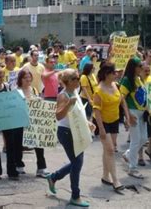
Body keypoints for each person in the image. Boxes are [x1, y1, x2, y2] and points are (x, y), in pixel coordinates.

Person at [47, 69, 92, 207]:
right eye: (76, 78)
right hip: (66, 132)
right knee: (77, 163)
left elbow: (78, 113)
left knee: (76, 162)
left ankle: (54, 177)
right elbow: (58, 115)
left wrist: (88, 123)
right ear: (69, 81)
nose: (79, 80)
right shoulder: (64, 95)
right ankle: (75, 195)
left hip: (77, 131)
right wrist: (68, 104)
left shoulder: (75, 93)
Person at [93, 62, 129, 194]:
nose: (117, 74)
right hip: (102, 122)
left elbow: (122, 100)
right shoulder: (99, 90)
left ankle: (105, 176)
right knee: (111, 150)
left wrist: (126, 117)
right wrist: (101, 129)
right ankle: (115, 180)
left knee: (107, 149)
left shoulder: (115, 85)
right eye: (114, 73)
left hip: (114, 121)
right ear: (107, 74)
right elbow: (96, 111)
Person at [15, 69, 50, 178]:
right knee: (18, 144)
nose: (28, 80)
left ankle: (41, 168)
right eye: (26, 78)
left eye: (29, 77)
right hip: (20, 121)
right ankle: (19, 165)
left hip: (34, 122)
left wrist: (39, 101)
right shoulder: (16, 91)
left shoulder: (34, 89)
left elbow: (40, 102)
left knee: (39, 144)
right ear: (20, 79)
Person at [120, 57, 148, 178]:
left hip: (142, 113)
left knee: (143, 138)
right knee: (136, 140)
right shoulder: (127, 80)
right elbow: (122, 98)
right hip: (133, 112)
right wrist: (128, 115)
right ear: (134, 67)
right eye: (139, 66)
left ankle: (128, 154)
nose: (141, 68)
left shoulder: (138, 79)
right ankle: (132, 168)